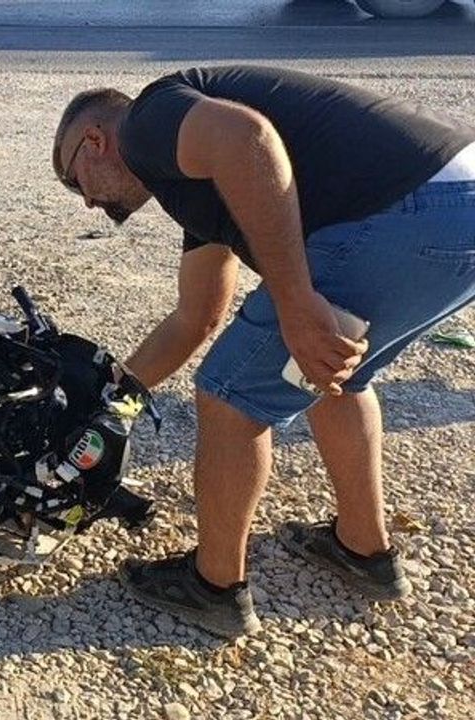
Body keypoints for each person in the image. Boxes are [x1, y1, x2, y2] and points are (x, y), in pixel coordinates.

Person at [51, 65, 475, 637]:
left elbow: (249, 138)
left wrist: (296, 302)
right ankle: (364, 550)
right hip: (456, 207)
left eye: (73, 178)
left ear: (95, 140)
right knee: (334, 376)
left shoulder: (146, 122)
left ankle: (215, 588)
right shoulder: (194, 180)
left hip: (409, 208)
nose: (85, 202)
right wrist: (111, 396)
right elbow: (195, 317)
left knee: (229, 396)